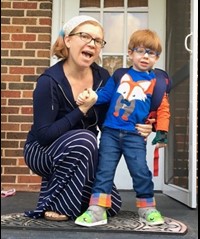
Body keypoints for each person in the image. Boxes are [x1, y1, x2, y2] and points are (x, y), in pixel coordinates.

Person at [23, 16, 153, 221]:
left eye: (98, 40)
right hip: (42, 151)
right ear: (67, 40)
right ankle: (59, 204)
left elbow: (109, 122)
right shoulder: (49, 81)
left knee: (111, 206)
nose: (92, 44)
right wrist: (82, 109)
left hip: (86, 153)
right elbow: (44, 136)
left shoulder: (103, 78)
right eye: (85, 36)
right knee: (84, 138)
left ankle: (72, 194)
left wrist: (140, 127)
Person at [75, 29, 170, 227]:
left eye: (150, 53)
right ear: (130, 53)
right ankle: (97, 210)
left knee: (140, 172)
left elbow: (163, 109)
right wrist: (90, 97)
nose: (145, 56)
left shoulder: (157, 83)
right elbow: (105, 95)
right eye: (140, 51)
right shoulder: (120, 75)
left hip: (134, 135)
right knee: (104, 171)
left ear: (157, 58)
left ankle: (147, 208)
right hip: (110, 132)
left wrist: (161, 133)